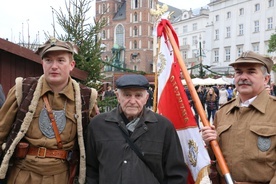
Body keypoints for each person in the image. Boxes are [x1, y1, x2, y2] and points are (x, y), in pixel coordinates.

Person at [0, 37, 98, 184]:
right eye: (48, 60)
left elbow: (94, 143)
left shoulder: (86, 97)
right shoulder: (23, 90)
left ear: (71, 65)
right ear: (42, 64)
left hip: (61, 177)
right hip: (22, 176)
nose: (54, 66)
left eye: (60, 60)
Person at [86, 74, 188, 184]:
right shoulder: (98, 125)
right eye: (127, 95)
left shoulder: (163, 127)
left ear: (146, 98)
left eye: (138, 95)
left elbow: (176, 174)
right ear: (118, 96)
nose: (132, 101)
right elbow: (91, 170)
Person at [202, 51, 276, 183]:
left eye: (251, 72)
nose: (243, 77)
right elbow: (213, 158)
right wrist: (209, 143)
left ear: (266, 79)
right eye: (239, 72)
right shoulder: (223, 112)